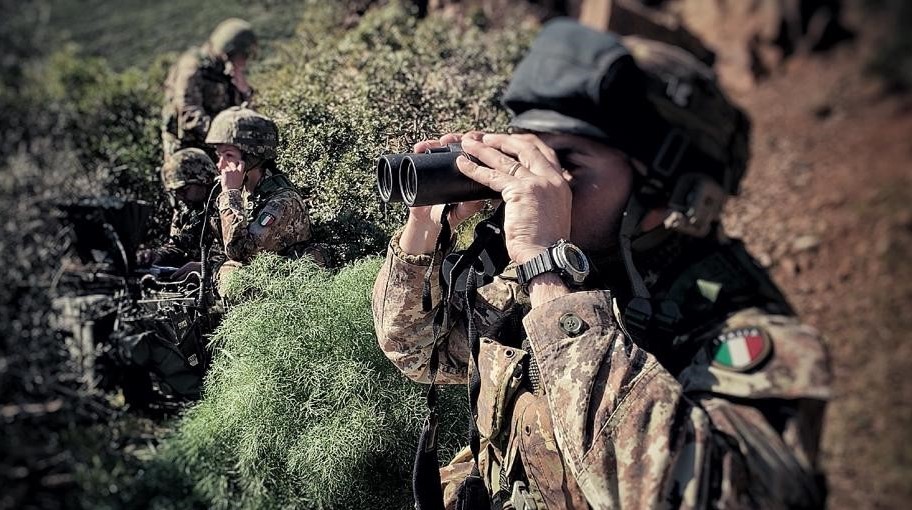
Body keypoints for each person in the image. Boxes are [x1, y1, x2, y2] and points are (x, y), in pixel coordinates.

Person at [372, 19, 830, 509]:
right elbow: (419, 351)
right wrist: (425, 227)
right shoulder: (551, 276)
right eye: (532, 152)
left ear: (662, 186)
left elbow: (710, 497)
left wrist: (547, 273)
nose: (539, 179)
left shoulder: (745, 335)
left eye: (568, 161)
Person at [203, 106, 324, 295]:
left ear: (251, 157)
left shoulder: (282, 201)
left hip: (282, 295)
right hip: (261, 287)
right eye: (219, 156)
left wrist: (230, 193)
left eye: (228, 156)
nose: (220, 165)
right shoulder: (243, 190)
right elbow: (220, 245)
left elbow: (240, 252)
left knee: (232, 277)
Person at [161, 18, 257, 158]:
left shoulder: (227, 68)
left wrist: (244, 90)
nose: (244, 61)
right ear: (228, 51)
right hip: (187, 147)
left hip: (216, 142)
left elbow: (245, 108)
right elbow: (189, 114)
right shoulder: (192, 67)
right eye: (242, 55)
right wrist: (226, 135)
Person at [137, 148, 216, 269]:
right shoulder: (185, 206)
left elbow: (238, 258)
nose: (180, 197)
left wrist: (206, 268)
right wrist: (158, 255)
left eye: (184, 190)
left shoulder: (225, 202)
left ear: (204, 179)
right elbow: (179, 246)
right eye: (175, 192)